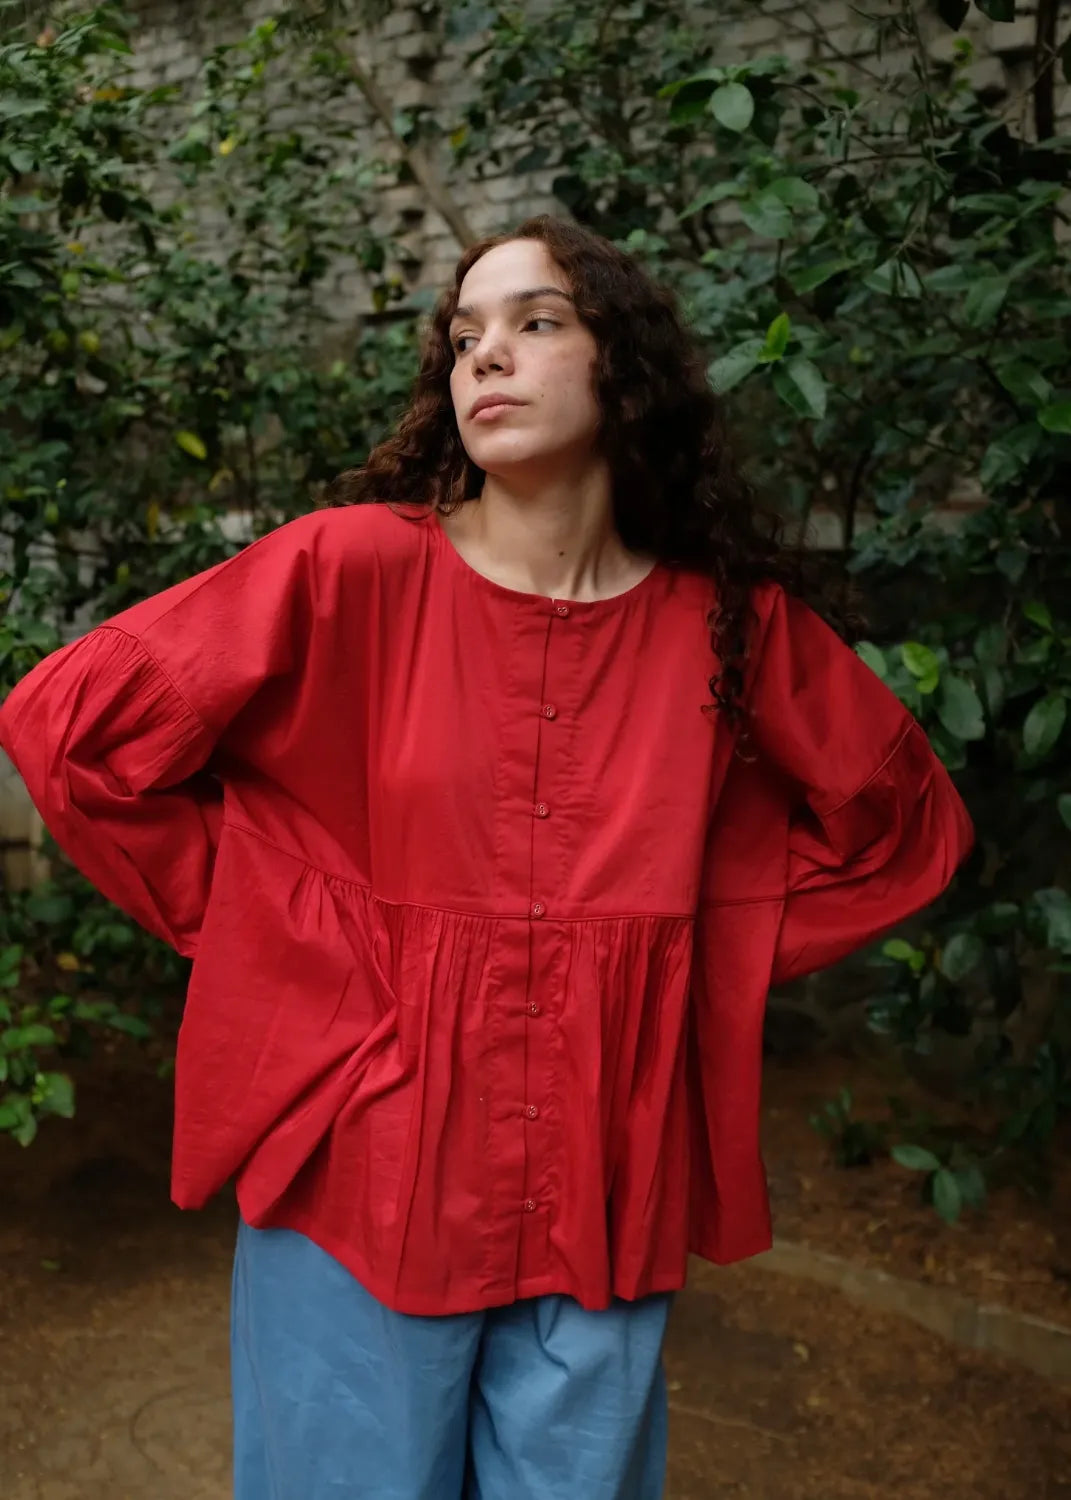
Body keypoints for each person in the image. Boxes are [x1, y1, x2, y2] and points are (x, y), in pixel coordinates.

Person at [0, 215, 973, 1499]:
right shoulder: (346, 568)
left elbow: (902, 827)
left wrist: (698, 950)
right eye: (465, 337)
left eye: (536, 321)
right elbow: (75, 731)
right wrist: (284, 939)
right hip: (366, 1157)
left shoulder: (731, 629)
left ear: (624, 366)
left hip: (605, 1175)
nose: (486, 356)